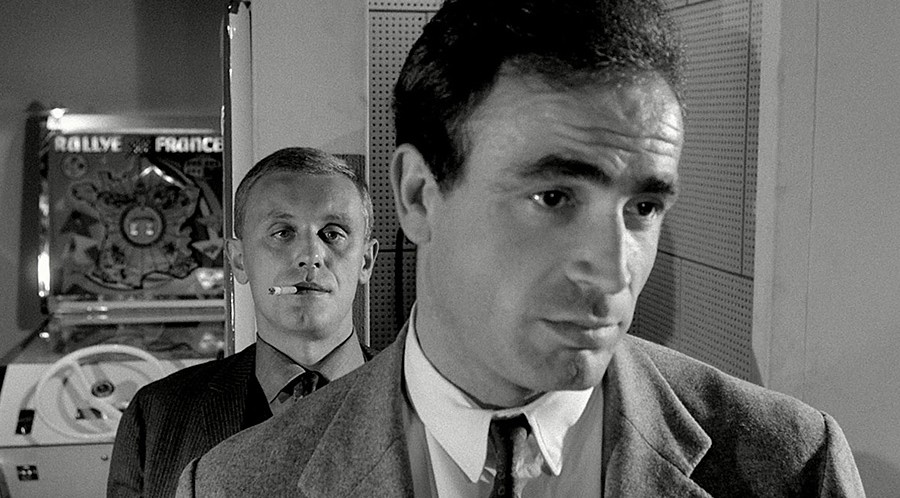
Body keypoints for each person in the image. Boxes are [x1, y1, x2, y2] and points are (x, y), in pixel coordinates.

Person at [176, 1, 866, 496]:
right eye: (554, 197)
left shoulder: (790, 465)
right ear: (419, 196)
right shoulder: (236, 484)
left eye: (643, 208)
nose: (614, 270)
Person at [107, 147, 379, 497]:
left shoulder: (423, 405)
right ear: (238, 260)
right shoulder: (156, 417)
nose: (311, 256)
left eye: (333, 233)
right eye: (283, 232)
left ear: (366, 262)